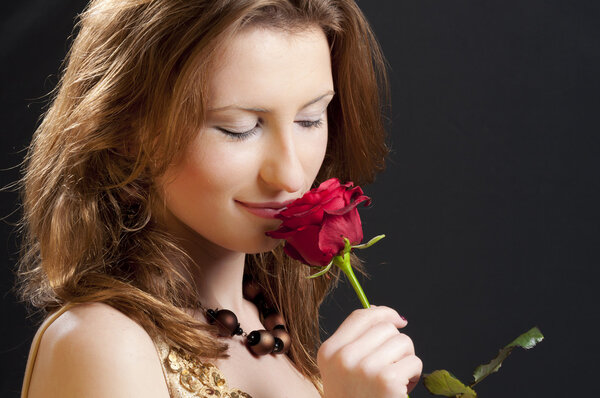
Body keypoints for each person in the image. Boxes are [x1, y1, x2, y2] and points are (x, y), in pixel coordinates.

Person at [17, 0, 422, 397]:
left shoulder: (272, 329)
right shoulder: (102, 345)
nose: (291, 174)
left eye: (310, 119)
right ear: (128, 132)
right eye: (239, 127)